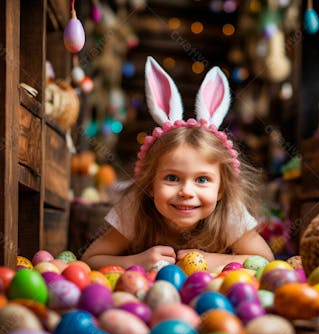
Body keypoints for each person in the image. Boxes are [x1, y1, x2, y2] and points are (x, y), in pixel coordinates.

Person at [82, 57, 273, 273]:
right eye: (172, 178)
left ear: (221, 189)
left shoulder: (228, 214)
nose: (186, 192)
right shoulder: (135, 209)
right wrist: (136, 262)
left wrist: (210, 260)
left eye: (202, 179)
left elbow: (265, 260)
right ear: (151, 185)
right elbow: (90, 259)